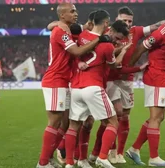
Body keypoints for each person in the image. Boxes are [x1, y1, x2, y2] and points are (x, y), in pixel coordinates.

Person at [37, 3, 112, 168]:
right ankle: (42, 163)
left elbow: (57, 26)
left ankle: (48, 159)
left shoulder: (68, 30)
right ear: (62, 15)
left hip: (65, 81)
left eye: (76, 10)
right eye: (72, 11)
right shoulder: (61, 32)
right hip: (56, 80)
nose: (76, 13)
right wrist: (99, 39)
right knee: (55, 121)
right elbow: (77, 52)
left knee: (64, 124)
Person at [125, 6, 165, 166]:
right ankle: (154, 158)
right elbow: (141, 48)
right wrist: (127, 68)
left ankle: (134, 149)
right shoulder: (160, 34)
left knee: (160, 117)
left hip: (164, 78)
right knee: (156, 117)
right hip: (155, 77)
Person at [64, 9, 131, 168]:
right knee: (113, 122)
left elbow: (75, 53)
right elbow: (114, 65)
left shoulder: (82, 36)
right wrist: (123, 50)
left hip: (76, 87)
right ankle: (102, 157)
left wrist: (79, 63)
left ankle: (70, 163)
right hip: (93, 87)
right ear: (107, 23)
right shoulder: (107, 45)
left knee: (75, 126)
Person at [100, 6, 165, 164]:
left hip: (127, 79)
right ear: (117, 19)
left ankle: (121, 152)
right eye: (124, 20)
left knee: (125, 115)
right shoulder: (107, 32)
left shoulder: (136, 31)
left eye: (130, 21)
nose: (128, 23)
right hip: (110, 78)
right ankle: (111, 150)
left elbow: (157, 25)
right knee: (116, 113)